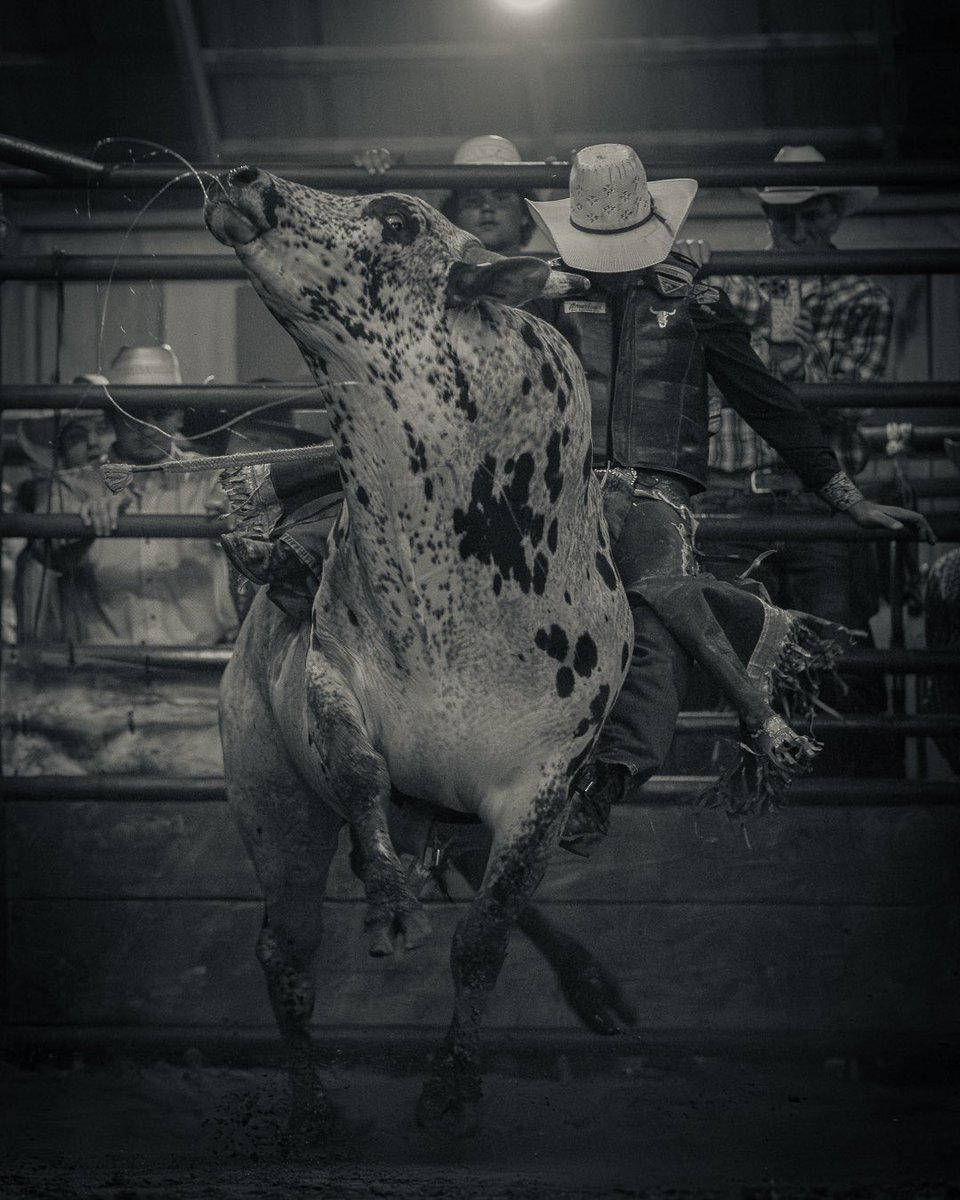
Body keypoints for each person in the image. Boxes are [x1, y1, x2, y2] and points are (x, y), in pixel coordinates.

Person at [521, 143, 934, 847]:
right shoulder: (549, 302)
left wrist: (841, 494)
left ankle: (610, 778)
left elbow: (765, 397)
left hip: (655, 492)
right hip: (568, 487)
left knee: (661, 619)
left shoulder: (695, 303)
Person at [219, 135, 539, 612]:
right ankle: (307, 555)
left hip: (505, 440)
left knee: (396, 460)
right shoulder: (419, 274)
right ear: (453, 210)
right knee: (380, 456)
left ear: (524, 213)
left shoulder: (546, 283)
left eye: (502, 198)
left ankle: (301, 550)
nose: (488, 210)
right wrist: (381, 181)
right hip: (418, 427)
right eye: (474, 199)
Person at [694, 144, 897, 775]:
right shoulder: (725, 282)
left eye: (811, 214)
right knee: (721, 660)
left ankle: (853, 803)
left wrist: (800, 365)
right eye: (784, 217)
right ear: (767, 215)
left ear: (834, 215)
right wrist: (691, 266)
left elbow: (855, 409)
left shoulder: (863, 296)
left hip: (813, 496)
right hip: (733, 491)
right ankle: (722, 809)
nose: (796, 229)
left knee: (834, 660)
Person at [22, 345, 240, 646]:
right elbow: (43, 564)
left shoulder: (212, 479)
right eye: (132, 412)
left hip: (199, 665)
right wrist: (82, 530)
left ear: (179, 417)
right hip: (104, 671)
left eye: (161, 414)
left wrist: (239, 513)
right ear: (111, 416)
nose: (146, 426)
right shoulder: (71, 488)